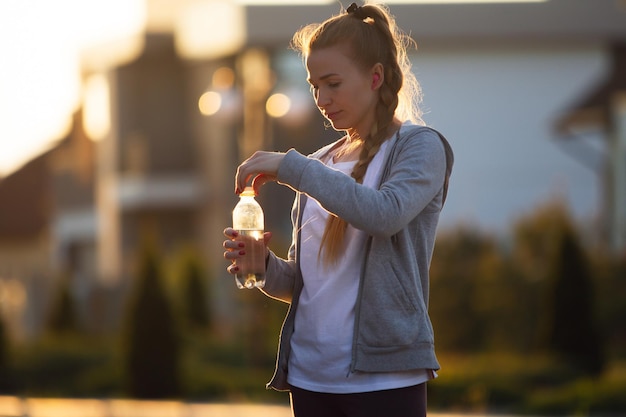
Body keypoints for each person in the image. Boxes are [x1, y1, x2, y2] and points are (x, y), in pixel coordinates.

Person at [223, 2, 453, 416]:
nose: (321, 99)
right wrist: (264, 267)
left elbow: (384, 215)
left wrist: (291, 167)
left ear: (375, 77)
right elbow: (302, 285)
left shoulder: (419, 147)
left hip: (385, 379)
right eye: (314, 86)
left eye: (332, 83)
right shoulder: (320, 164)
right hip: (310, 379)